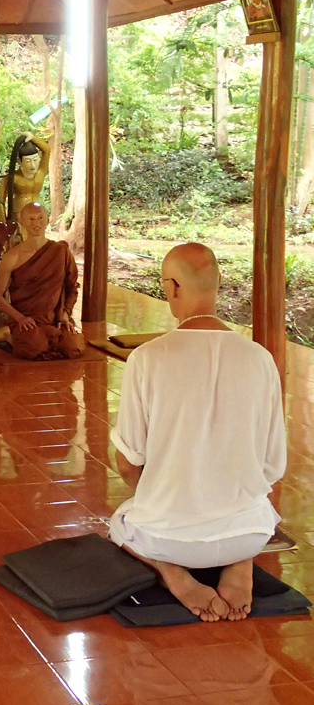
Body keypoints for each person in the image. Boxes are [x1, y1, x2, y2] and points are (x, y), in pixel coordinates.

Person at [109, 242, 286, 622]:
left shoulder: (148, 358)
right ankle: (240, 566)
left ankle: (174, 575)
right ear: (218, 284)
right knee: (259, 507)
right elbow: (272, 467)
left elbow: (127, 464)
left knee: (120, 524)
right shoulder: (260, 358)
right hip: (249, 534)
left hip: (168, 540)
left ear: (172, 287)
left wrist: (165, 495)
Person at [0, 202, 82, 360]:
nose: (36, 223)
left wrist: (65, 314)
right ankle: (11, 336)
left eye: (40, 218)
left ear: (48, 220)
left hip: (56, 319)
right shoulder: (12, 257)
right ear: (23, 223)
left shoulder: (61, 251)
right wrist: (19, 318)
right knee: (35, 349)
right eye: (31, 219)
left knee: (74, 348)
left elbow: (72, 287)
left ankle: (47, 337)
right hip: (27, 319)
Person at [0, 132, 50, 232]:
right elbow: (0, 202)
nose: (33, 165)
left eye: (35, 160)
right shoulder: (13, 177)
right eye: (28, 161)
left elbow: (47, 150)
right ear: (19, 162)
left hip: (37, 215)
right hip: (19, 216)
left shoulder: (40, 172)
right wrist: (4, 224)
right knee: (22, 242)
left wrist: (33, 137)